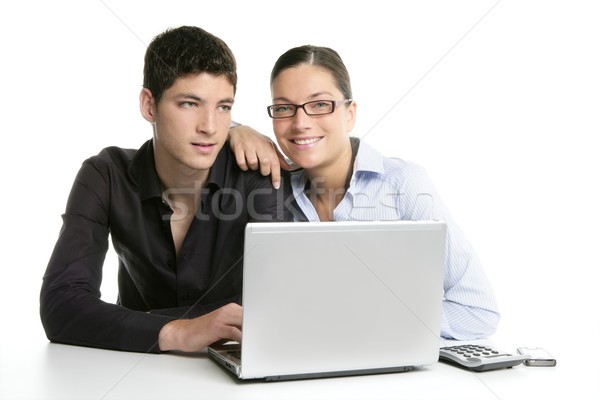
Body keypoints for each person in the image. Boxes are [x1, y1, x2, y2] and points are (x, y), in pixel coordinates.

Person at [40, 26, 292, 354]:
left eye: (224, 107)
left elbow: (278, 306)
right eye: (189, 104)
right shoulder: (106, 175)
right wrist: (176, 331)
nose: (210, 127)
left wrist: (135, 321)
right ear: (149, 105)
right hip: (126, 371)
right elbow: (61, 305)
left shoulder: (256, 174)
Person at [232, 45, 500, 340]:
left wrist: (371, 324)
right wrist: (237, 129)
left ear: (350, 114)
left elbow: (478, 312)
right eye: (284, 108)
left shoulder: (403, 184)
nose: (300, 123)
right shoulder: (273, 188)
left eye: (320, 104)